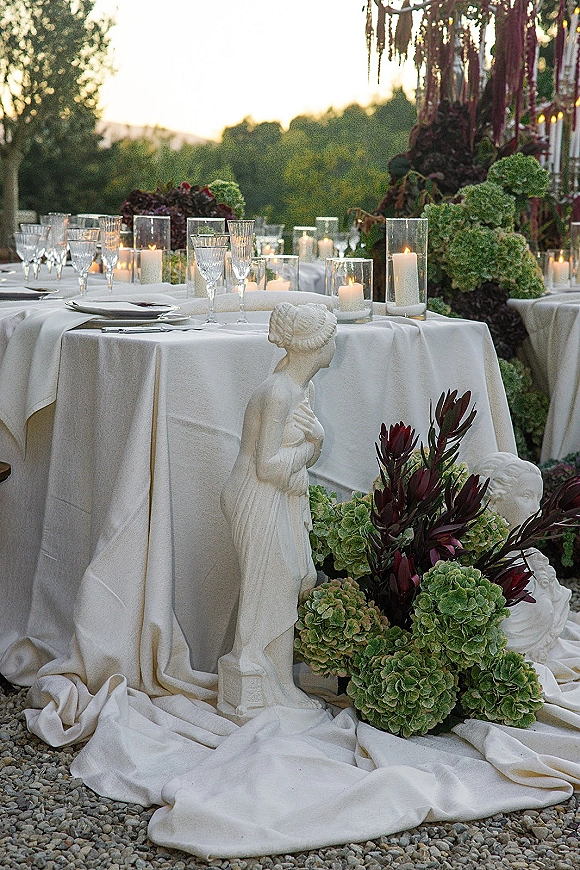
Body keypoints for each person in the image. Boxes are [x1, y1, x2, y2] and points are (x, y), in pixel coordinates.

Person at [218, 302, 337, 722]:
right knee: (277, 579)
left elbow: (292, 457)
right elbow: (266, 466)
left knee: (294, 578)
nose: (334, 345)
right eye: (330, 338)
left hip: (281, 495)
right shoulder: (278, 393)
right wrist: (314, 443)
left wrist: (312, 444)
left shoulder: (301, 389)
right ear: (314, 347)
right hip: (256, 494)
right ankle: (257, 671)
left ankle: (279, 678)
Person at [472, 452, 571, 662]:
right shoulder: (478, 559)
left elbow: (557, 599)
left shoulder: (530, 557)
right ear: (494, 500)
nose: (536, 510)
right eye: (526, 496)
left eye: (538, 499)